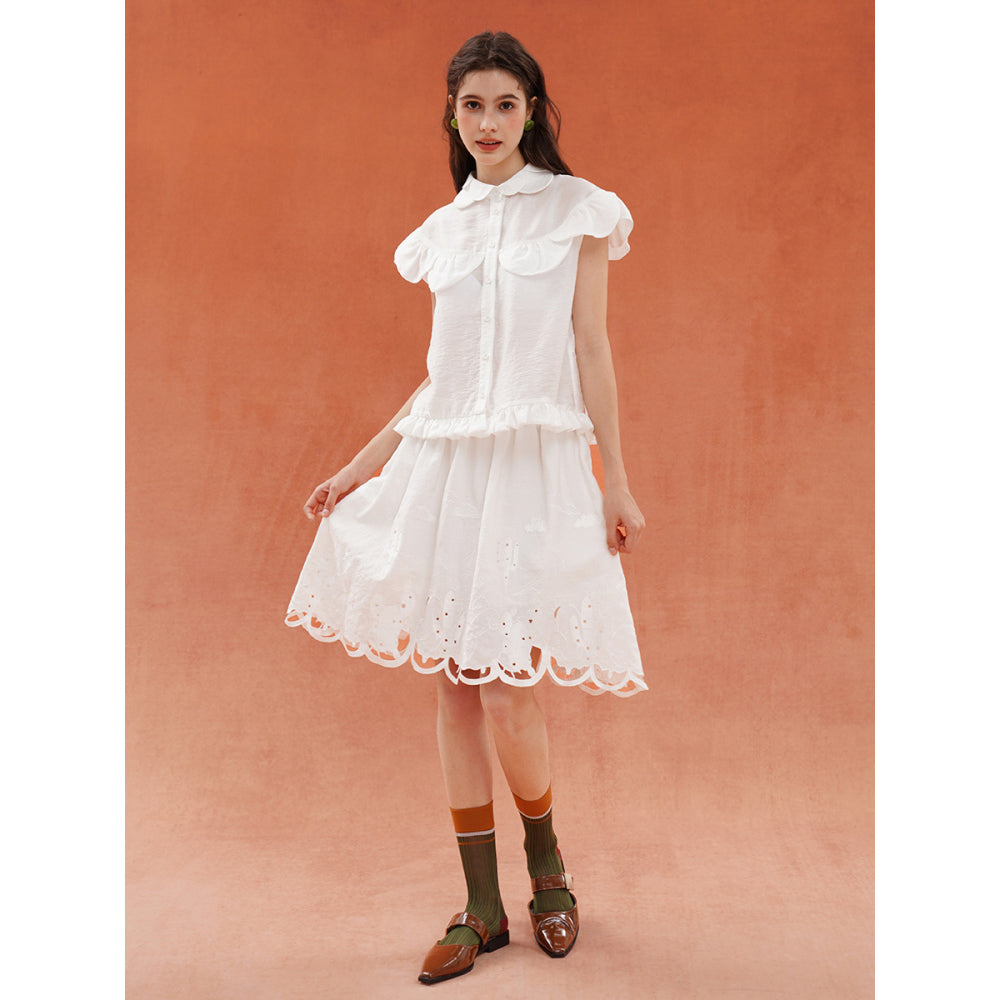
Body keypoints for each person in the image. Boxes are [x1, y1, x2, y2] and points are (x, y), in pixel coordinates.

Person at [285, 30, 648, 986]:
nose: (488, 122)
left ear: (533, 112)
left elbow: (591, 348)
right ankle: (481, 907)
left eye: (505, 105)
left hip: (529, 471)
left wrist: (615, 477)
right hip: (447, 474)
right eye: (472, 106)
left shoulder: (576, 210)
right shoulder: (442, 231)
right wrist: (359, 467)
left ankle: (548, 870)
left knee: (506, 685)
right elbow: (443, 383)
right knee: (453, 683)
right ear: (451, 116)